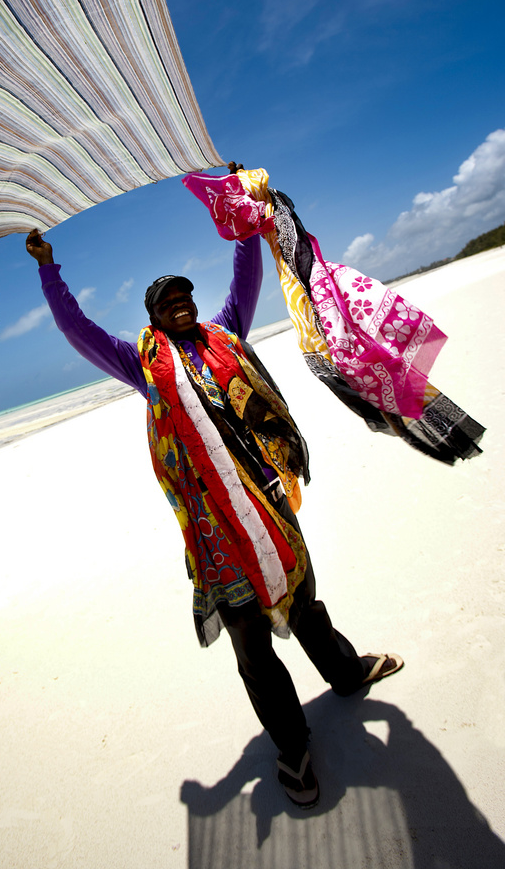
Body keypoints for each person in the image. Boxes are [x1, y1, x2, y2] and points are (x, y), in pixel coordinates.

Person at [25, 195, 403, 810]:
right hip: (215, 533)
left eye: (184, 297)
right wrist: (49, 269)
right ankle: (293, 746)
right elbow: (78, 331)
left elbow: (246, 275)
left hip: (269, 504)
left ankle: (347, 673)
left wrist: (242, 221)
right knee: (251, 643)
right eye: (166, 302)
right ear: (152, 316)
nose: (179, 305)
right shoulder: (140, 365)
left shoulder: (225, 334)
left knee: (304, 603)